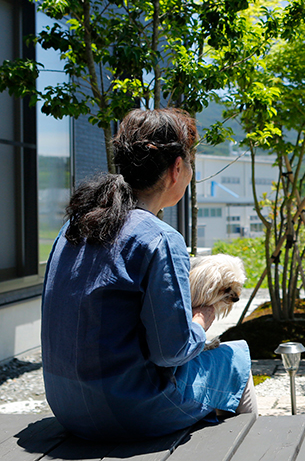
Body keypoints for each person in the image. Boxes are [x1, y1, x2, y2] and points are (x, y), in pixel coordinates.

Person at [41, 108, 257, 441]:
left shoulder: (73, 226)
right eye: (191, 165)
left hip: (66, 405)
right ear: (176, 169)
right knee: (236, 358)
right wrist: (202, 319)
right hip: (127, 411)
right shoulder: (160, 238)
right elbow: (171, 352)